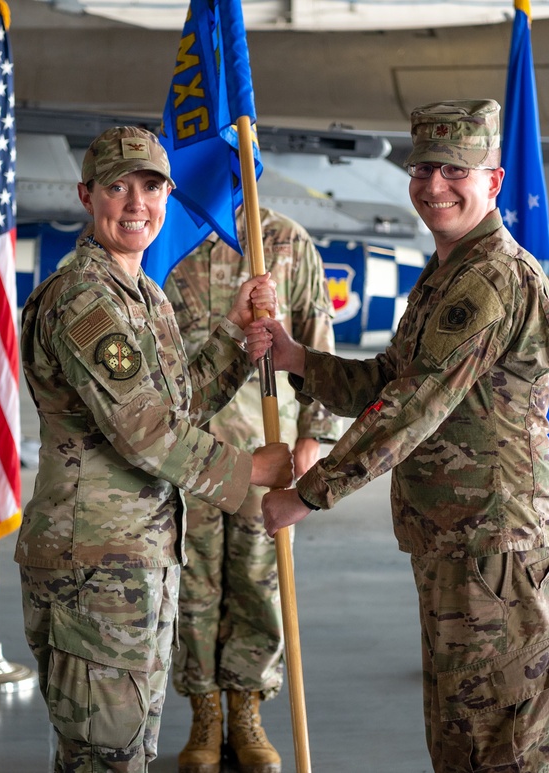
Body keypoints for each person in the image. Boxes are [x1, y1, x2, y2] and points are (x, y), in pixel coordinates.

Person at [247, 101, 549, 772]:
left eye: (456, 168)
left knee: (498, 753)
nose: (433, 185)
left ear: (494, 179)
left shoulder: (486, 280)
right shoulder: (448, 274)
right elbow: (392, 379)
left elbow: (412, 407)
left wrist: (309, 493)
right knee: (462, 744)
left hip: (496, 552)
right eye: (422, 167)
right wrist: (298, 360)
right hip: (462, 550)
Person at [15, 126, 294, 773]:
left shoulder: (142, 295)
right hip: (92, 571)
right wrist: (251, 470)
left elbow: (176, 404)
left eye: (151, 186)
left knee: (126, 754)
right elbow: (143, 431)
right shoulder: (85, 297)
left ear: (169, 196)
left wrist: (233, 336)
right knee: (104, 759)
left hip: (133, 566)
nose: (136, 203)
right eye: (117, 186)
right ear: (87, 196)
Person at [164, 208, 340, 773]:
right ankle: (203, 716)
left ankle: (246, 712)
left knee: (260, 589)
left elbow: (316, 336)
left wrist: (315, 433)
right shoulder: (167, 235)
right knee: (192, 590)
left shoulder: (287, 242)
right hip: (185, 456)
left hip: (267, 453)